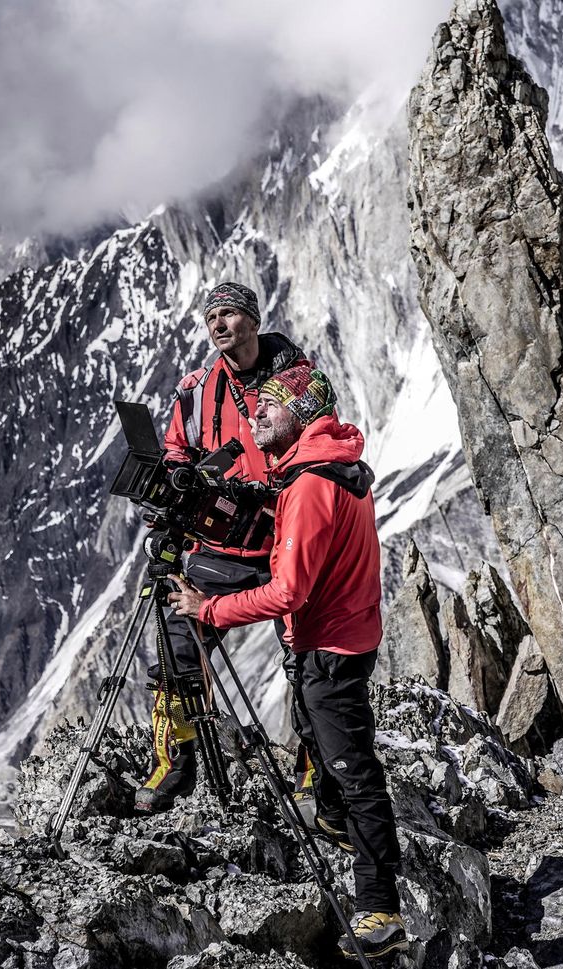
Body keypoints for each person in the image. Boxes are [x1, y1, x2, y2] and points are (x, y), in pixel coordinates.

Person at [168, 363, 407, 961]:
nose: (256, 414)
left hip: (328, 643)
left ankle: (379, 906)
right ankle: (328, 816)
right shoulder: (338, 465)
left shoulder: (307, 487)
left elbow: (286, 594)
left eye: (269, 407)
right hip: (349, 633)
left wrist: (210, 609)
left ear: (299, 415)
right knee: (320, 739)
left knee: (354, 769)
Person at [135, 281, 304, 813]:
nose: (218, 325)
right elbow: (176, 447)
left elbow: (319, 441)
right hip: (220, 545)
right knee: (177, 646)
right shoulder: (198, 388)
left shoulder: (297, 380)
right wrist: (181, 482)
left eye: (229, 314)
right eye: (212, 318)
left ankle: (313, 769)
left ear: (253, 320)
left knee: (307, 659)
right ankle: (174, 763)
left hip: (286, 540)